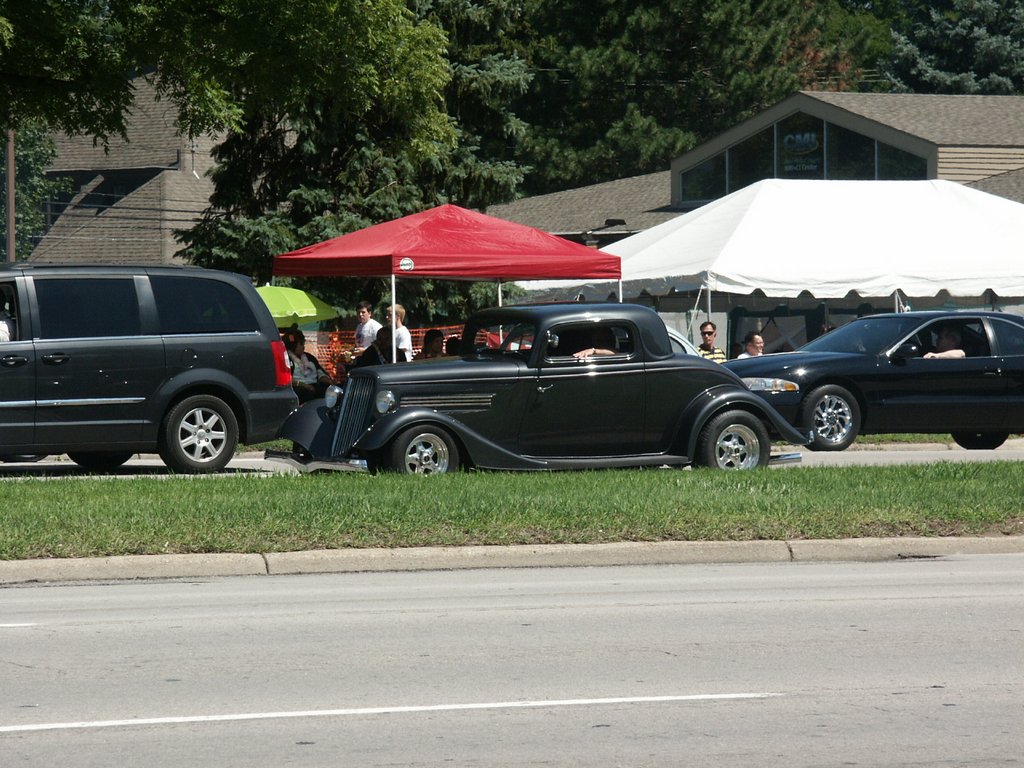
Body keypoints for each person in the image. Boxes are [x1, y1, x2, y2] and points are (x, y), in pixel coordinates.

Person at [283, 329, 334, 403]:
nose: (303, 347)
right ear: (293, 345)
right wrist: (304, 385)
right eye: (301, 344)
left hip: (315, 386)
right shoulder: (286, 359)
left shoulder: (310, 357)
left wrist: (327, 380)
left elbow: (320, 372)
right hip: (298, 388)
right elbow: (286, 379)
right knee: (305, 393)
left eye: (303, 344)